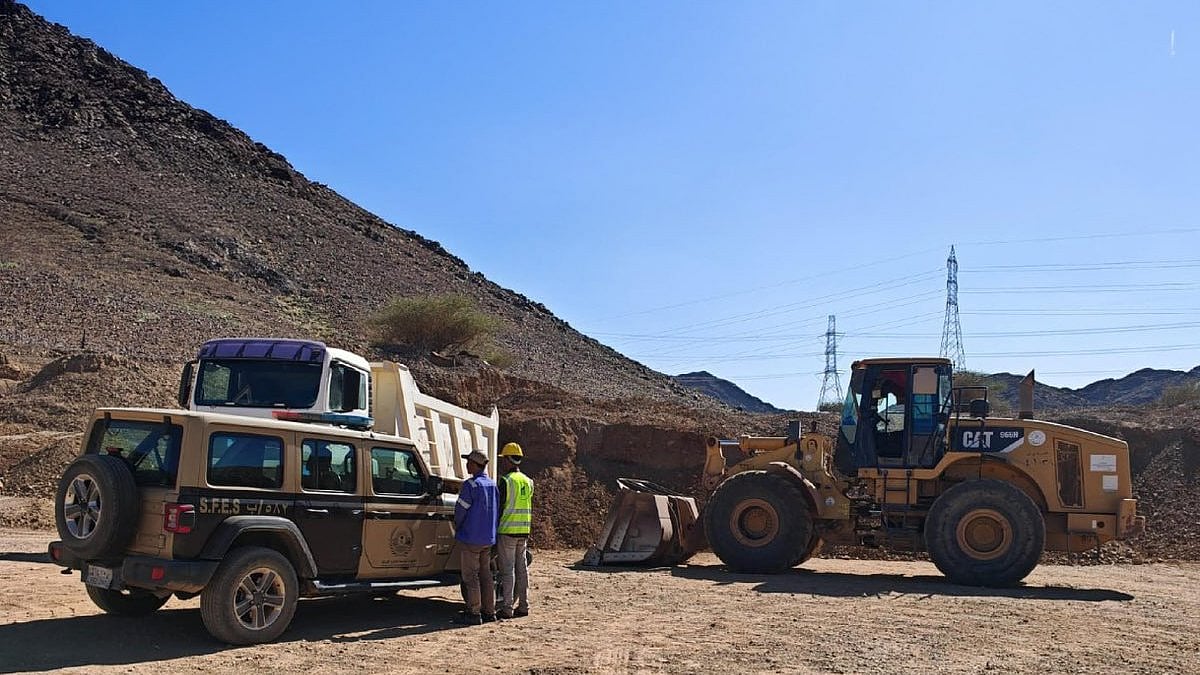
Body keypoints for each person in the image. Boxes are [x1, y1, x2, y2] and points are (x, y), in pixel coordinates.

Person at [453, 448, 498, 625]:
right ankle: (489, 611)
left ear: (474, 464)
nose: (466, 465)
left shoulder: (470, 485)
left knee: (470, 576)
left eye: (468, 462)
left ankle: (473, 612)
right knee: (485, 574)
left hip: (471, 538)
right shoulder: (492, 485)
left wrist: (457, 526)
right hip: (487, 538)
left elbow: (460, 511)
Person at [495, 442, 533, 619]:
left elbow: (500, 507)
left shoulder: (506, 481)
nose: (502, 462)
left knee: (507, 570)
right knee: (522, 569)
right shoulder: (528, 481)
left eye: (504, 459)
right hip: (523, 531)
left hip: (507, 530)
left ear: (509, 460)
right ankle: (524, 605)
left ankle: (507, 608)